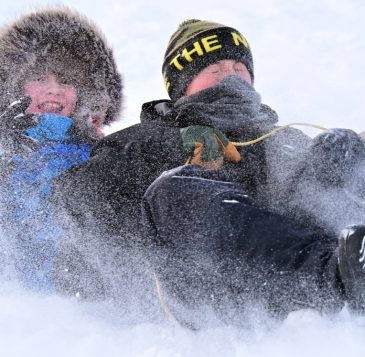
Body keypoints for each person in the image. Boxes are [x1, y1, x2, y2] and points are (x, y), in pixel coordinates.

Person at [52, 19, 365, 325]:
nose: (229, 77)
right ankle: (336, 274)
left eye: (239, 69)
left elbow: (306, 195)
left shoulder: (282, 139)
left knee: (340, 160)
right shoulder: (141, 141)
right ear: (182, 88)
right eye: (214, 70)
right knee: (176, 190)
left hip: (283, 277)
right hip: (193, 285)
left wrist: (340, 161)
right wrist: (174, 158)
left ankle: (349, 262)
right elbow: (77, 196)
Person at [0, 7, 122, 293]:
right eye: (40, 79)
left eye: (66, 81)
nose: (54, 90)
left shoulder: (104, 154)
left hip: (84, 308)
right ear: (13, 89)